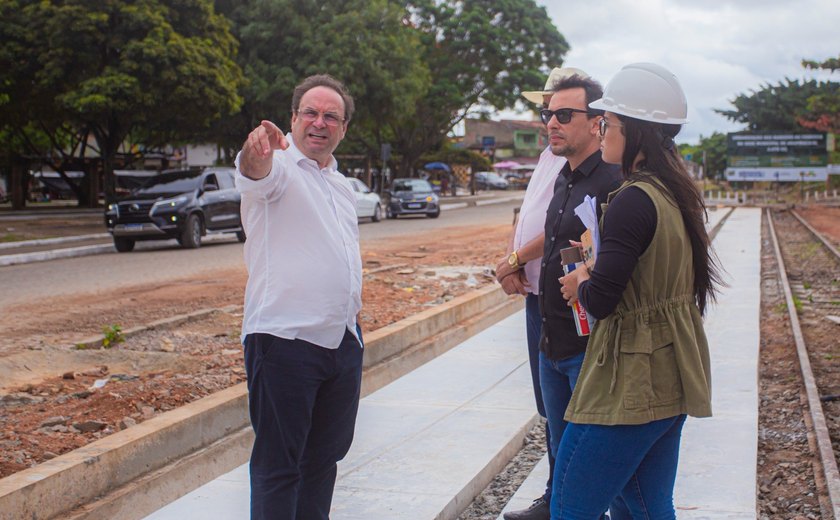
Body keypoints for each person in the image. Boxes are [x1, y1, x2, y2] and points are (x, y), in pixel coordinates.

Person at [556, 62, 722, 519]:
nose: (603, 131)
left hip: (628, 378)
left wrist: (581, 280)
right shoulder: (673, 193)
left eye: (609, 123)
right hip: (672, 370)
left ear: (636, 132)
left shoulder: (632, 199)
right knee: (646, 507)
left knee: (570, 505)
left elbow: (603, 302)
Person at [234, 74, 364, 520]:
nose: (319, 122)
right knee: (279, 466)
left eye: (331, 116)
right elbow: (256, 175)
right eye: (310, 112)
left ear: (344, 128)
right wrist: (255, 154)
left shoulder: (341, 185)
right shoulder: (280, 167)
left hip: (341, 341)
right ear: (293, 118)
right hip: (284, 339)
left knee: (322, 462)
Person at [494, 67, 587, 520]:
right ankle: (559, 497)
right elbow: (535, 218)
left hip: (568, 299)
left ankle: (570, 500)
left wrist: (513, 261)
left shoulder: (581, 163)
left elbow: (562, 231)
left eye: (563, 111)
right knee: (551, 406)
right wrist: (512, 259)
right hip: (540, 297)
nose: (550, 118)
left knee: (574, 410)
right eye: (547, 109)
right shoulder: (552, 158)